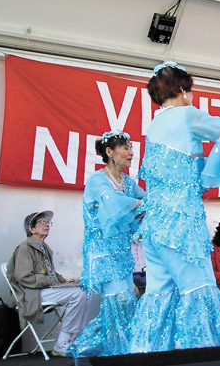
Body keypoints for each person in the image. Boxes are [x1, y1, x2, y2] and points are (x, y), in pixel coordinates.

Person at [129, 61, 220, 353]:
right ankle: (208, 358)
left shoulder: (154, 125)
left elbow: (184, 170)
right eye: (191, 90)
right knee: (197, 290)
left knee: (158, 295)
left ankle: (144, 355)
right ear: (183, 89)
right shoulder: (187, 115)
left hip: (155, 230)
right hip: (180, 227)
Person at [67, 130, 145, 357]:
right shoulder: (97, 180)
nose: (131, 152)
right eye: (126, 147)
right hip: (102, 253)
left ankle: (121, 350)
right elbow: (112, 202)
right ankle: (117, 353)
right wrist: (140, 206)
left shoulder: (128, 183)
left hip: (122, 252)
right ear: (109, 152)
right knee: (117, 301)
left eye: (131, 147)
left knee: (126, 301)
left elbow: (146, 199)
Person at [6, 211, 91, 357]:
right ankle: (61, 344)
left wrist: (65, 282)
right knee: (79, 294)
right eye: (42, 222)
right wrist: (51, 282)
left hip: (44, 290)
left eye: (48, 223)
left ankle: (70, 340)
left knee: (84, 290)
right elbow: (24, 277)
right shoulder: (25, 248)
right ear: (31, 229)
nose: (47, 225)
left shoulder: (44, 247)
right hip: (31, 294)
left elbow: (51, 273)